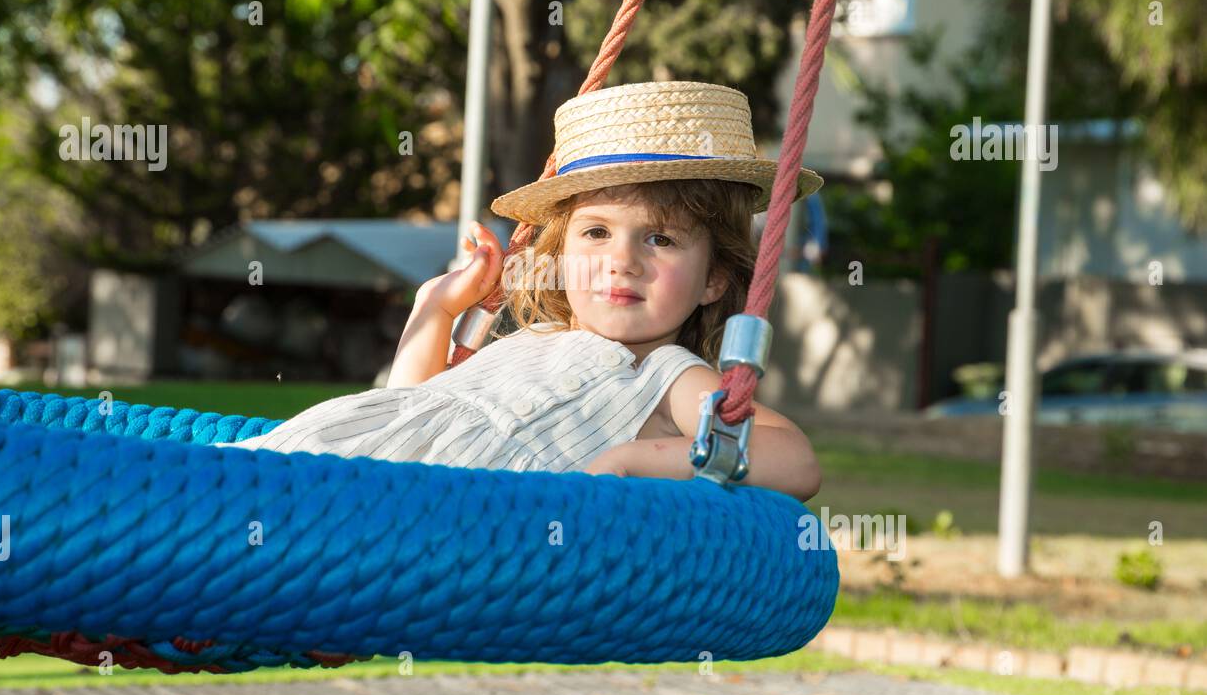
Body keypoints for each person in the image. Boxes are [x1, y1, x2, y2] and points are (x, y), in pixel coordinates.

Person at [217, 81, 823, 500]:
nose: (622, 262)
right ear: (560, 255)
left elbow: (794, 460)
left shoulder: (663, 375)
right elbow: (408, 405)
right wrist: (437, 306)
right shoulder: (530, 339)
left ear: (715, 277)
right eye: (595, 233)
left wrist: (635, 460)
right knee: (194, 494)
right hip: (341, 459)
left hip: (397, 519)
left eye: (660, 240)